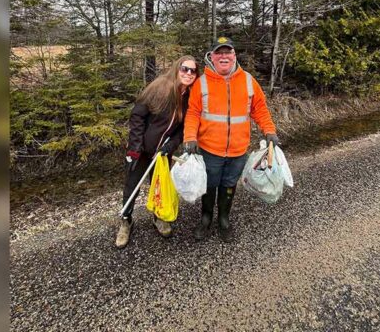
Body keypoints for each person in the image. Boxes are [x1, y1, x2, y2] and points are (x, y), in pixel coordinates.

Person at [183, 37, 279, 242]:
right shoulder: (201, 83)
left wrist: (269, 131)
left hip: (238, 150)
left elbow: (260, 109)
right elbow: (193, 113)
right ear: (212, 57)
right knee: (209, 185)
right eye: (219, 53)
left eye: (228, 52)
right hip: (210, 150)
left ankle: (223, 218)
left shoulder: (248, 81)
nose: (224, 56)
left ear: (234, 56)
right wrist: (190, 137)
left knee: (229, 184)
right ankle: (206, 218)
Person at [115, 55, 199, 249]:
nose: (188, 73)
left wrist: (170, 147)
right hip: (141, 151)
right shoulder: (160, 87)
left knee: (159, 185)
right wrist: (135, 147)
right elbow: (137, 116)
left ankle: (158, 216)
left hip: (162, 153)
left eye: (193, 71)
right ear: (177, 69)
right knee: (132, 185)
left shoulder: (190, 97)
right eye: (184, 69)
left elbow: (183, 129)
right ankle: (126, 220)